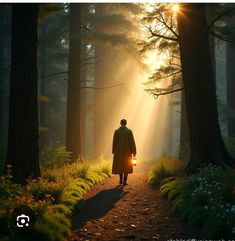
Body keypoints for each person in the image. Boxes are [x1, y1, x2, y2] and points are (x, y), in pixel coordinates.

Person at [112, 119, 136, 186]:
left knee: (120, 165)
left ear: (120, 123)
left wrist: (114, 151)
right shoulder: (129, 131)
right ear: (126, 123)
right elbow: (132, 142)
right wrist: (134, 151)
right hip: (127, 152)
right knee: (126, 166)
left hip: (118, 152)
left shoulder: (116, 131)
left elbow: (114, 142)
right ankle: (125, 181)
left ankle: (120, 179)